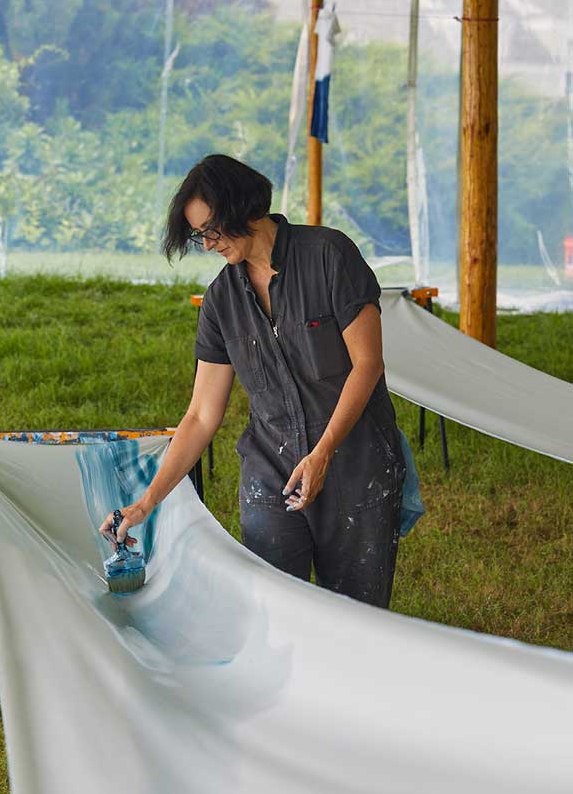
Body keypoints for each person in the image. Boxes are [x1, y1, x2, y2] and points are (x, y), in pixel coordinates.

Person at [100, 154, 406, 608]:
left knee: (356, 618)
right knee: (274, 612)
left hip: (354, 465)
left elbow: (368, 365)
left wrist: (322, 453)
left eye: (211, 230)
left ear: (243, 207)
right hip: (271, 472)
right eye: (198, 235)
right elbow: (202, 415)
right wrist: (145, 504)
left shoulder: (329, 255)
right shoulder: (220, 302)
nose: (206, 245)